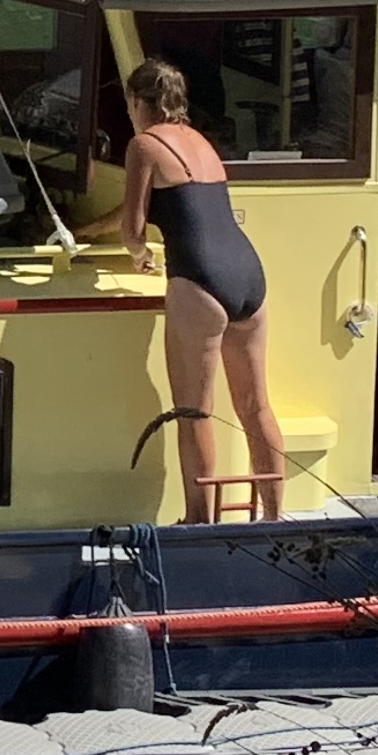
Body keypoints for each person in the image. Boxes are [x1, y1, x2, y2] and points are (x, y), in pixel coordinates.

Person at [96, 54, 287, 523]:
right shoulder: (202, 142)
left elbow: (133, 228)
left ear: (137, 101)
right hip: (248, 274)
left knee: (194, 411)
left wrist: (140, 257)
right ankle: (273, 518)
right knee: (256, 405)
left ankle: (199, 521)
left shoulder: (143, 145)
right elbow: (182, 205)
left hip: (200, 279)